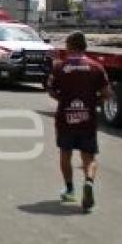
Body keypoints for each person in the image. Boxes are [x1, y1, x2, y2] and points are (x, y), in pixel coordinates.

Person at [47, 31, 111, 212]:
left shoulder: (59, 67)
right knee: (89, 157)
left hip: (65, 118)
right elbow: (107, 94)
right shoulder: (96, 67)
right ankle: (89, 182)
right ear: (84, 46)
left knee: (65, 154)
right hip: (87, 119)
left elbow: (51, 90)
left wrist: (63, 99)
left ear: (69, 46)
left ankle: (69, 190)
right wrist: (93, 102)